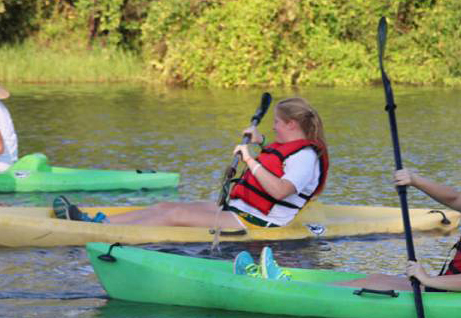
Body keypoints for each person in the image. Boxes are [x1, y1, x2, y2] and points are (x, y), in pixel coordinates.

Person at [54, 97, 328, 229]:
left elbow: (280, 190)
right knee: (166, 206)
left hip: (256, 223)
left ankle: (95, 231)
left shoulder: (306, 158)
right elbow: (280, 159)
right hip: (239, 210)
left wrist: (249, 159)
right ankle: (97, 222)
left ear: (291, 124)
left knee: (173, 217)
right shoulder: (294, 150)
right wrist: (260, 140)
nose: (275, 127)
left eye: (277, 123)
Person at [328, 143, 461, 291]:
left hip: (459, 296)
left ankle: (312, 296)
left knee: (370, 283)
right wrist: (414, 180)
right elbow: (453, 198)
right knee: (374, 278)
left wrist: (427, 279)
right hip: (452, 289)